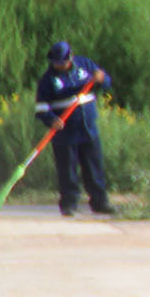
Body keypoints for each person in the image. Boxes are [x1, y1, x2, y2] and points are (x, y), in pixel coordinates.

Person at [33, 41, 113, 217]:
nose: (60, 65)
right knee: (67, 169)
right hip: (65, 132)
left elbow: (106, 82)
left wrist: (102, 78)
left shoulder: (85, 65)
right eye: (56, 62)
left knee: (94, 166)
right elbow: (41, 108)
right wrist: (51, 119)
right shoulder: (48, 80)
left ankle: (100, 202)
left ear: (70, 57)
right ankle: (69, 204)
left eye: (62, 61)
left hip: (88, 128)